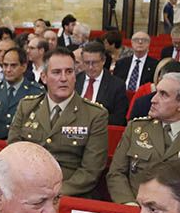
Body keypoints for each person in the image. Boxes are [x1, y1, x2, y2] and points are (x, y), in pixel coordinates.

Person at [107, 73, 180, 204]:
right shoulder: (136, 129)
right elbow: (116, 173)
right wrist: (128, 203)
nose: (153, 99)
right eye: (156, 92)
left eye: (163, 94)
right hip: (136, 209)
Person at [8, 49, 108, 197]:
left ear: (75, 76)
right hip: (27, 189)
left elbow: (90, 171)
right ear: (44, 77)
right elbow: (13, 153)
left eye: (69, 72)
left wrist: (53, 193)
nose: (63, 78)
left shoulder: (95, 115)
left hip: (69, 194)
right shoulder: (27, 107)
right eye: (56, 72)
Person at [0, 46, 42, 140]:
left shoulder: (36, 92)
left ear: (24, 67)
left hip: (24, 147)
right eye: (5, 65)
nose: (8, 70)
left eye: (13, 65)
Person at [76, 40, 128, 126]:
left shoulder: (117, 85)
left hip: (101, 130)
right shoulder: (74, 80)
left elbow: (119, 119)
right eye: (87, 63)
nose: (90, 67)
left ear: (103, 61)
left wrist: (92, 120)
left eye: (94, 63)